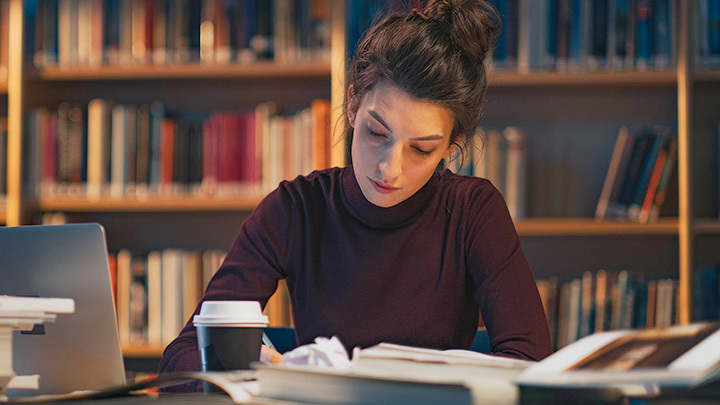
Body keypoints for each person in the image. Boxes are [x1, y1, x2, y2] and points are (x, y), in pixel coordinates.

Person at [159, 0, 552, 388]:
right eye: (376, 134)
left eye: (422, 149)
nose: (389, 168)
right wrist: (237, 376)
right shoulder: (296, 209)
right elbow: (184, 356)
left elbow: (532, 363)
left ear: (452, 146)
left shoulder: (472, 211)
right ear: (351, 105)